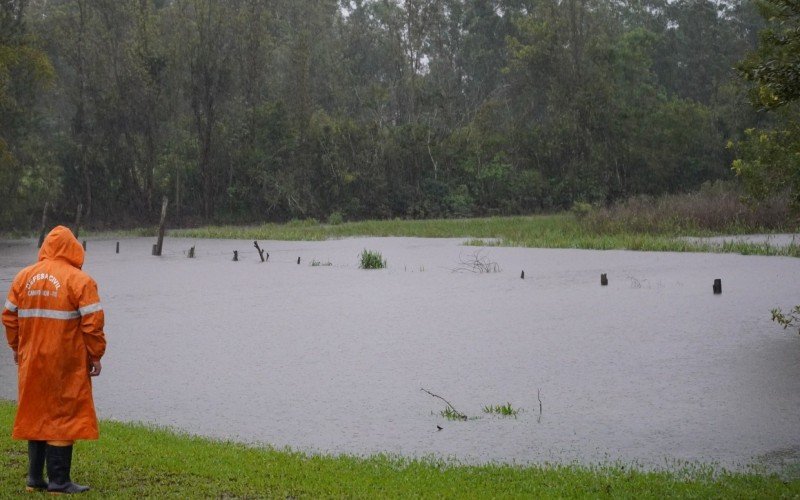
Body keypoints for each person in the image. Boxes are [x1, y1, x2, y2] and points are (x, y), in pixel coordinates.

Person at [2, 225, 106, 494]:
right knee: (63, 415)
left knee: (35, 412)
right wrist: (95, 354)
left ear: (46, 246)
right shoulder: (80, 281)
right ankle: (59, 482)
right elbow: (92, 325)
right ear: (73, 248)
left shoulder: (23, 277)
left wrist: (17, 347)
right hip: (64, 361)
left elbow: (9, 317)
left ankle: (34, 480)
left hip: (31, 359)